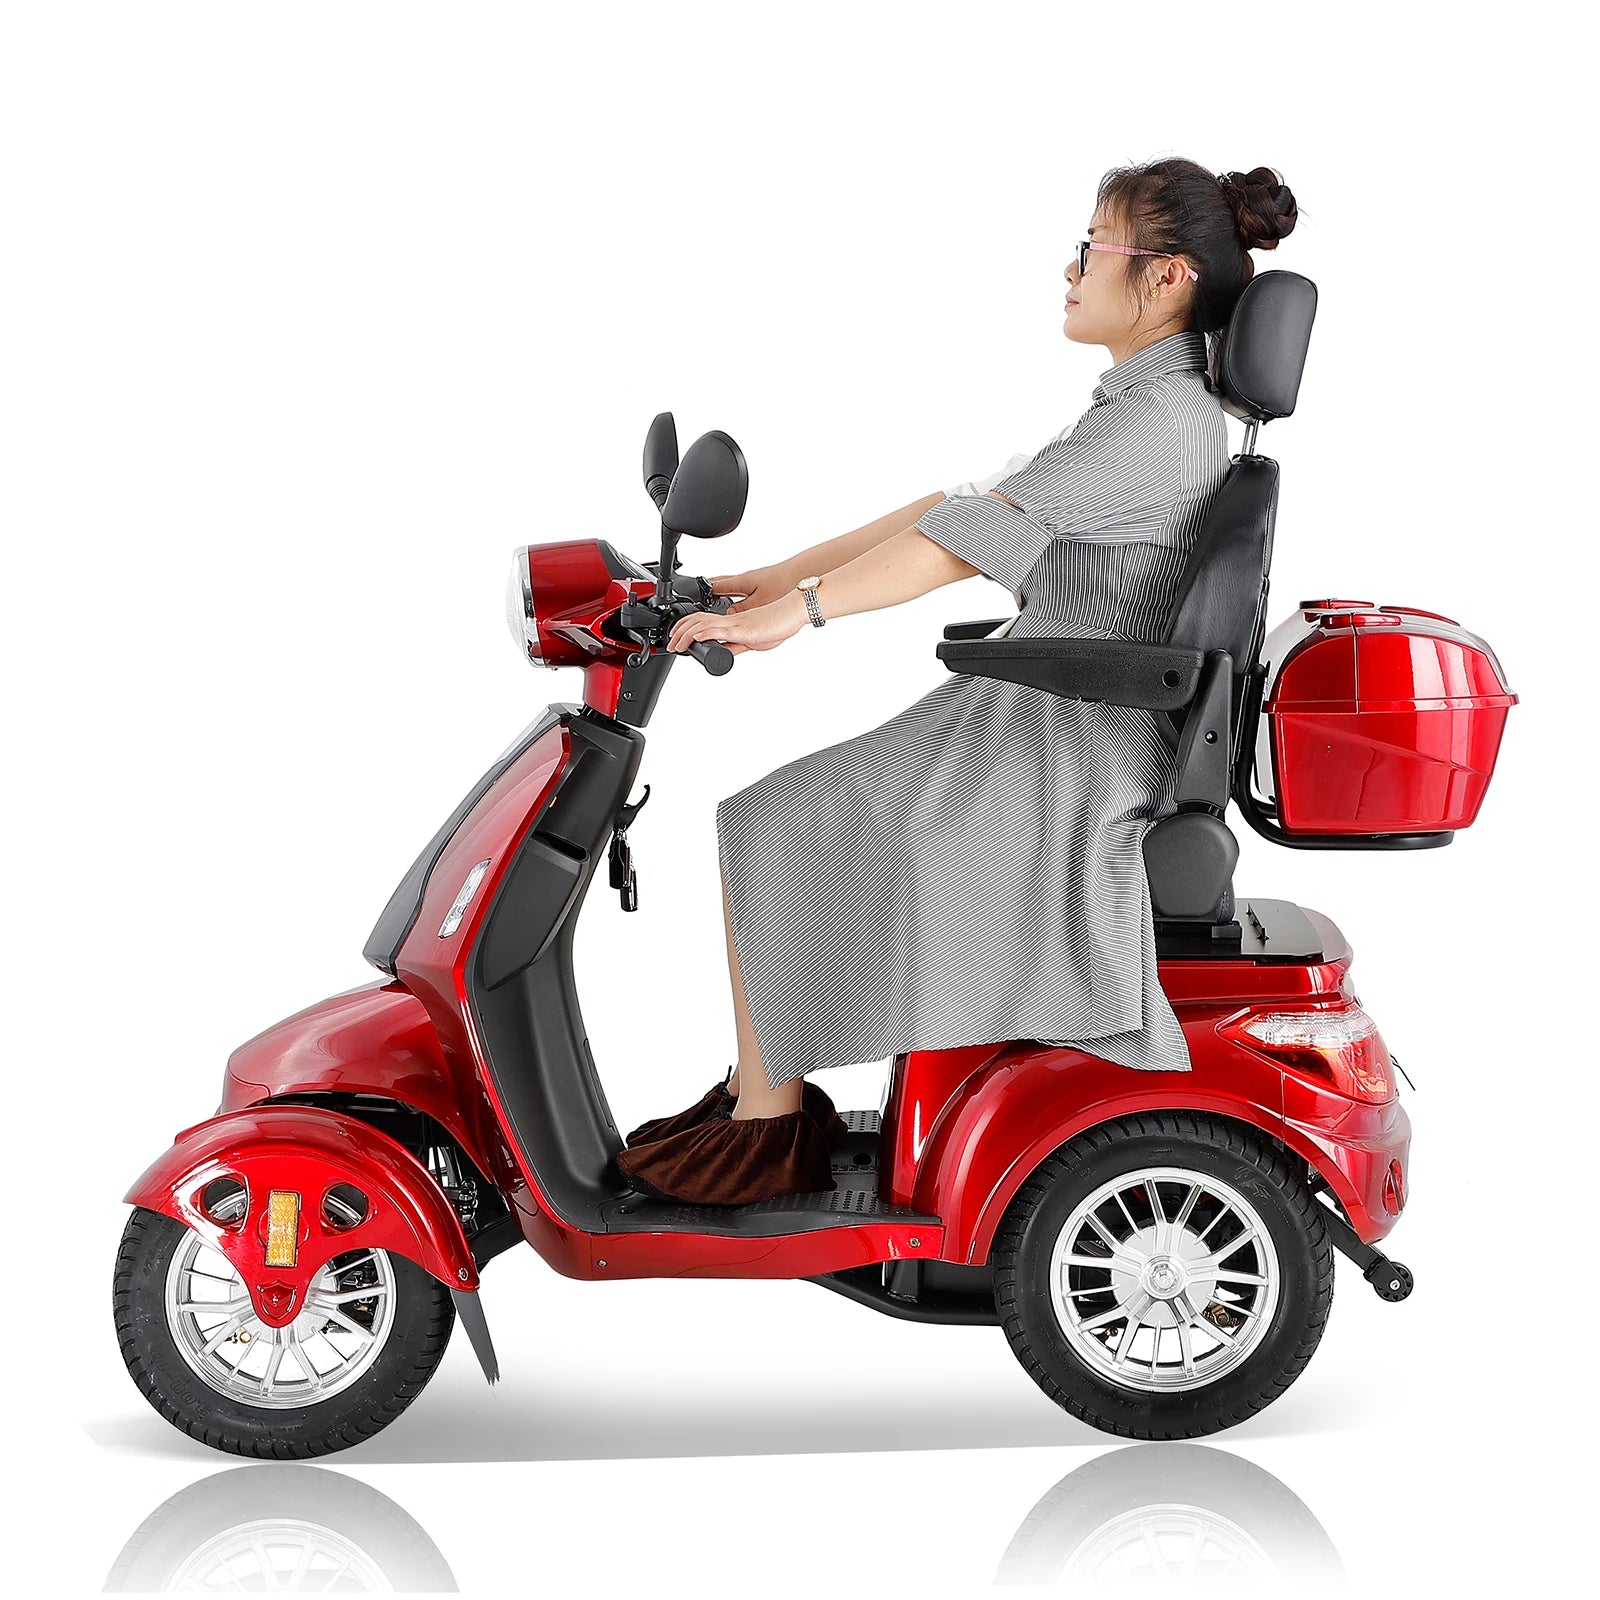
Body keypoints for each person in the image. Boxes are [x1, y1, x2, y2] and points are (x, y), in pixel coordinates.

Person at [615, 158, 1300, 1207]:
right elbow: (955, 507)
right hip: (1057, 704)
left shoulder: (1156, 426)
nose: (1070, 269)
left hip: (1074, 739)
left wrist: (792, 617)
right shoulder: (1150, 410)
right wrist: (767, 577)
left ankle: (766, 1127)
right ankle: (766, 1096)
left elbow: (956, 546)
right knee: (777, 816)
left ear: (1165, 278)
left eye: (1091, 248)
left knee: (772, 820)